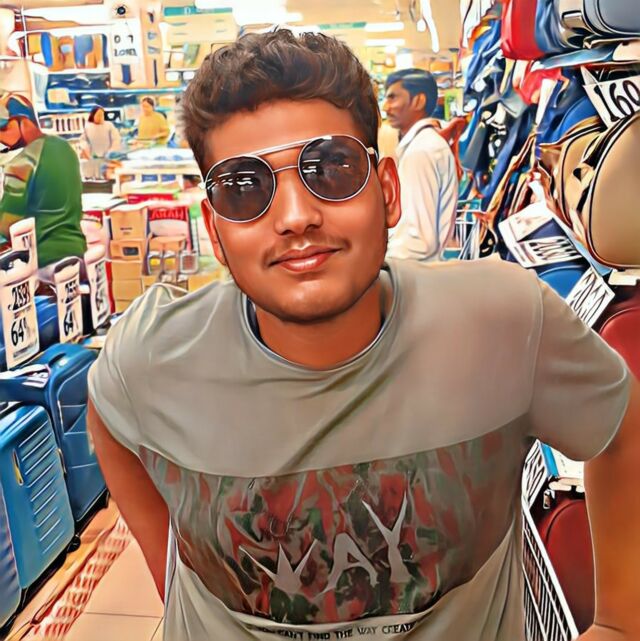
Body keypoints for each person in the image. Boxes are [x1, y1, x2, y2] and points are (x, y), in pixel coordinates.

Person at [87, 30, 639, 641]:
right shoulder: (155, 356)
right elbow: (109, 415)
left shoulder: (503, 324)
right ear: (215, 233)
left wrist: (621, 619)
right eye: (245, 188)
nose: (296, 217)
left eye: (331, 169)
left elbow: (621, 422)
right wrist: (180, 578)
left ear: (388, 192)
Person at [0, 93, 86, 278]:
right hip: (76, 252)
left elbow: (7, 224)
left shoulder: (21, 164)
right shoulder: (64, 148)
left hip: (42, 261)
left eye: (3, 128)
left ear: (23, 122)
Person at [383, 68, 459, 262]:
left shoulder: (421, 151)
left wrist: (386, 268)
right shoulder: (424, 144)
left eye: (393, 98)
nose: (386, 107)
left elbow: (417, 241)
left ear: (418, 101)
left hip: (412, 269)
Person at [80, 105, 121, 180]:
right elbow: (83, 140)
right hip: (93, 158)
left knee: (107, 174)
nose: (100, 117)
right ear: (93, 115)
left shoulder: (109, 125)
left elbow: (116, 139)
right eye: (98, 115)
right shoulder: (87, 126)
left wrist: (111, 152)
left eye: (102, 115)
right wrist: (86, 150)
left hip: (108, 157)